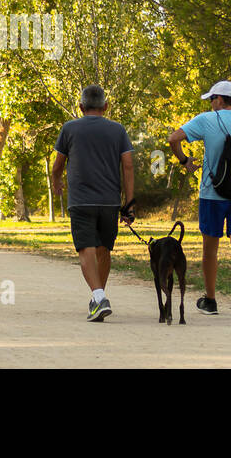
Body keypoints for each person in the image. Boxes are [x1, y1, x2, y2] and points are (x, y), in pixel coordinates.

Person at [168, 80, 231, 319]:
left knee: (210, 248)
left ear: (220, 100)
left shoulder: (206, 119)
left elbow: (174, 138)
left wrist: (185, 161)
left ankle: (211, 300)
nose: (211, 103)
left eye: (212, 99)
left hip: (212, 194)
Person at [51, 85, 135, 322]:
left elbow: (57, 165)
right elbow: (127, 166)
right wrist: (129, 204)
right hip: (109, 201)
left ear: (80, 107)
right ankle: (98, 297)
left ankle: (99, 297)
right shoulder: (118, 130)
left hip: (80, 201)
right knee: (104, 249)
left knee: (85, 247)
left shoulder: (69, 128)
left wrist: (56, 181)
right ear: (105, 106)